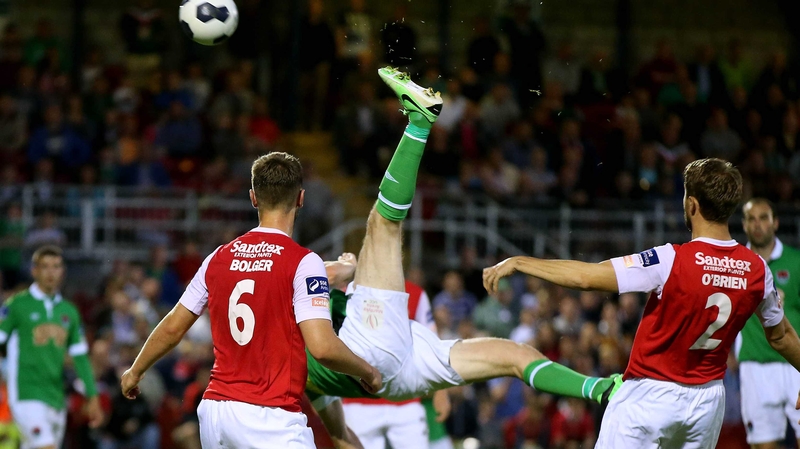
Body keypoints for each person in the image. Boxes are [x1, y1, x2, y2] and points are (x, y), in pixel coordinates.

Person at [304, 68, 621, 447]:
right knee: (381, 224)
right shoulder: (291, 306)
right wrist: (348, 267)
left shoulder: (296, 373)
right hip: (369, 348)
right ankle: (419, 123)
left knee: (515, 356)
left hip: (403, 370)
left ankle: (602, 389)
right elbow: (322, 271)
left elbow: (339, 433)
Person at [484, 158, 800, 448]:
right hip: (707, 402)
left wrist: (522, 262)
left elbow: (588, 278)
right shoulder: (757, 269)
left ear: (691, 204)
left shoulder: (671, 259)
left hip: (651, 394)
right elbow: (782, 336)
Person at [120, 152, 381, 449]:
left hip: (217, 413)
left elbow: (173, 327)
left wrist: (135, 370)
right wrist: (368, 370)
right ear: (301, 199)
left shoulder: (218, 257)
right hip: (270, 418)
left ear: (253, 197)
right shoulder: (302, 261)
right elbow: (322, 348)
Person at [0, 245, 104, 449]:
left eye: (56, 266)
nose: (51, 272)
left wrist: (92, 396)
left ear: (63, 272)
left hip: (56, 397)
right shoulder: (17, 306)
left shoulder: (69, 312)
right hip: (26, 393)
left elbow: (80, 357)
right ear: (34, 271)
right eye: (45, 266)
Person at [341, 280, 451, 449]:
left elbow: (432, 343)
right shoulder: (349, 290)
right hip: (359, 400)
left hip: (405, 399)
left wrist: (441, 391)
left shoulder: (416, 294)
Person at [739, 198, 800, 449]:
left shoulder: (796, 262)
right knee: (763, 446)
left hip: (794, 363)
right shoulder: (736, 264)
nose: (758, 225)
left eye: (764, 218)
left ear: (775, 222)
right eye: (751, 219)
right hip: (755, 366)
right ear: (743, 225)